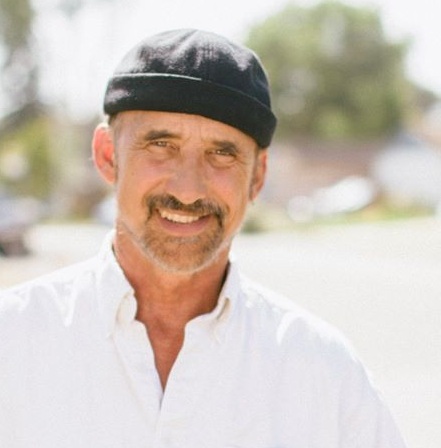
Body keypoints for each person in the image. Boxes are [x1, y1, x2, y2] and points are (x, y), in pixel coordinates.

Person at [0, 29, 406, 448]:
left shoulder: (325, 374)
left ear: (257, 176)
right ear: (108, 156)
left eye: (222, 153)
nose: (189, 190)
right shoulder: (11, 341)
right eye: (161, 145)